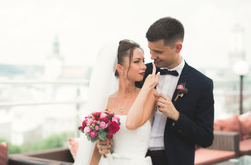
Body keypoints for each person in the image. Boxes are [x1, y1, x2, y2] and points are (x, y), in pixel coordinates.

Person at [74, 39, 159, 165]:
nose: (144, 66)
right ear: (119, 68)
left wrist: (147, 87)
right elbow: (98, 150)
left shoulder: (150, 95)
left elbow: (132, 123)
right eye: (137, 61)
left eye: (143, 61)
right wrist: (101, 144)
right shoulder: (106, 102)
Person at [144, 17, 214, 165]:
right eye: (150, 50)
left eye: (158, 52)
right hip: (137, 157)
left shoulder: (202, 84)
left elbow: (206, 138)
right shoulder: (142, 72)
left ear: (178, 48)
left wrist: (176, 116)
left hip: (173, 160)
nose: (151, 56)